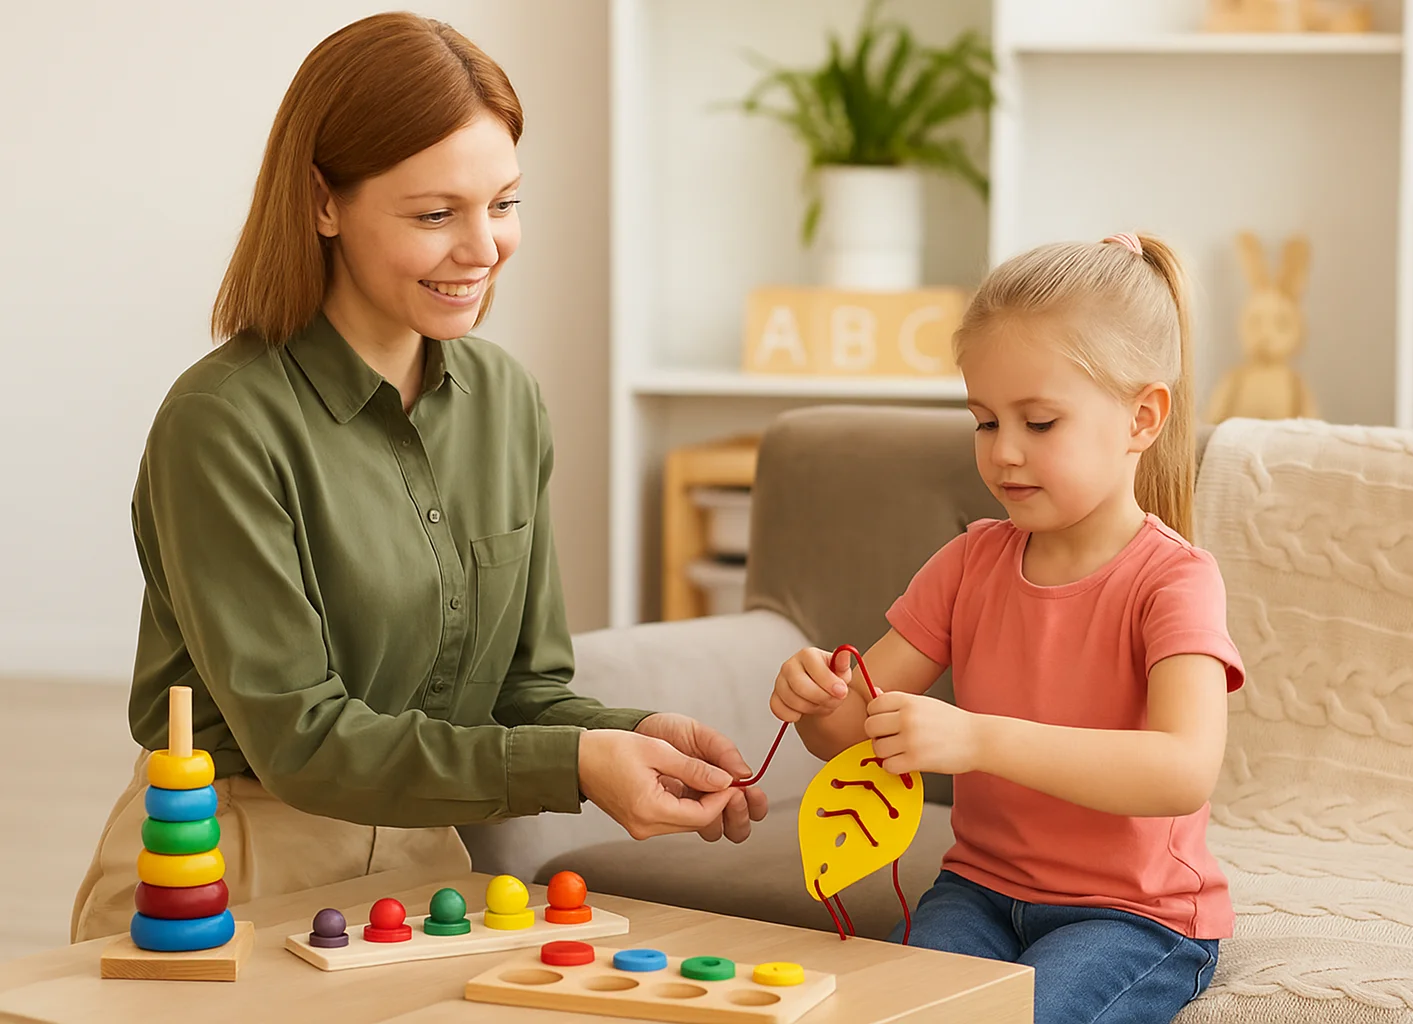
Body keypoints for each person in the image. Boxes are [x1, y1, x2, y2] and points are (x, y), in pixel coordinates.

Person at [72, 12, 766, 943]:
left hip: (428, 877)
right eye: (436, 214)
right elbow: (302, 742)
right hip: (226, 871)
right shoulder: (222, 423)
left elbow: (522, 689)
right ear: (323, 202)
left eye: (504, 203)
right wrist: (575, 766)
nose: (483, 248)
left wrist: (631, 737)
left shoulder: (506, 402)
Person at [770, 233, 1245, 1023]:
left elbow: (1182, 770)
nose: (1005, 453)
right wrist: (816, 699)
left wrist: (978, 740)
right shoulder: (968, 563)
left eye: (1040, 422)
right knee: (883, 1010)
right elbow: (850, 732)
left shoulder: (1175, 580)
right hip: (977, 894)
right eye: (986, 422)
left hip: (1132, 916)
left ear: (1142, 418)